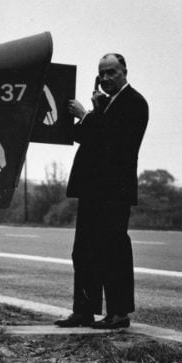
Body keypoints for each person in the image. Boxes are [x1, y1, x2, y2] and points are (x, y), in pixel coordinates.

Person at [55, 53, 148, 329]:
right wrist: (88, 114)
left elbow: (113, 142)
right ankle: (84, 310)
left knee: (112, 251)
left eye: (111, 72)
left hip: (113, 192)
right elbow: (84, 137)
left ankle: (119, 313)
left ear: (124, 72)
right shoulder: (104, 106)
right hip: (93, 190)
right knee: (83, 250)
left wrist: (86, 115)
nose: (106, 78)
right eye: (102, 73)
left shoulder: (135, 103)